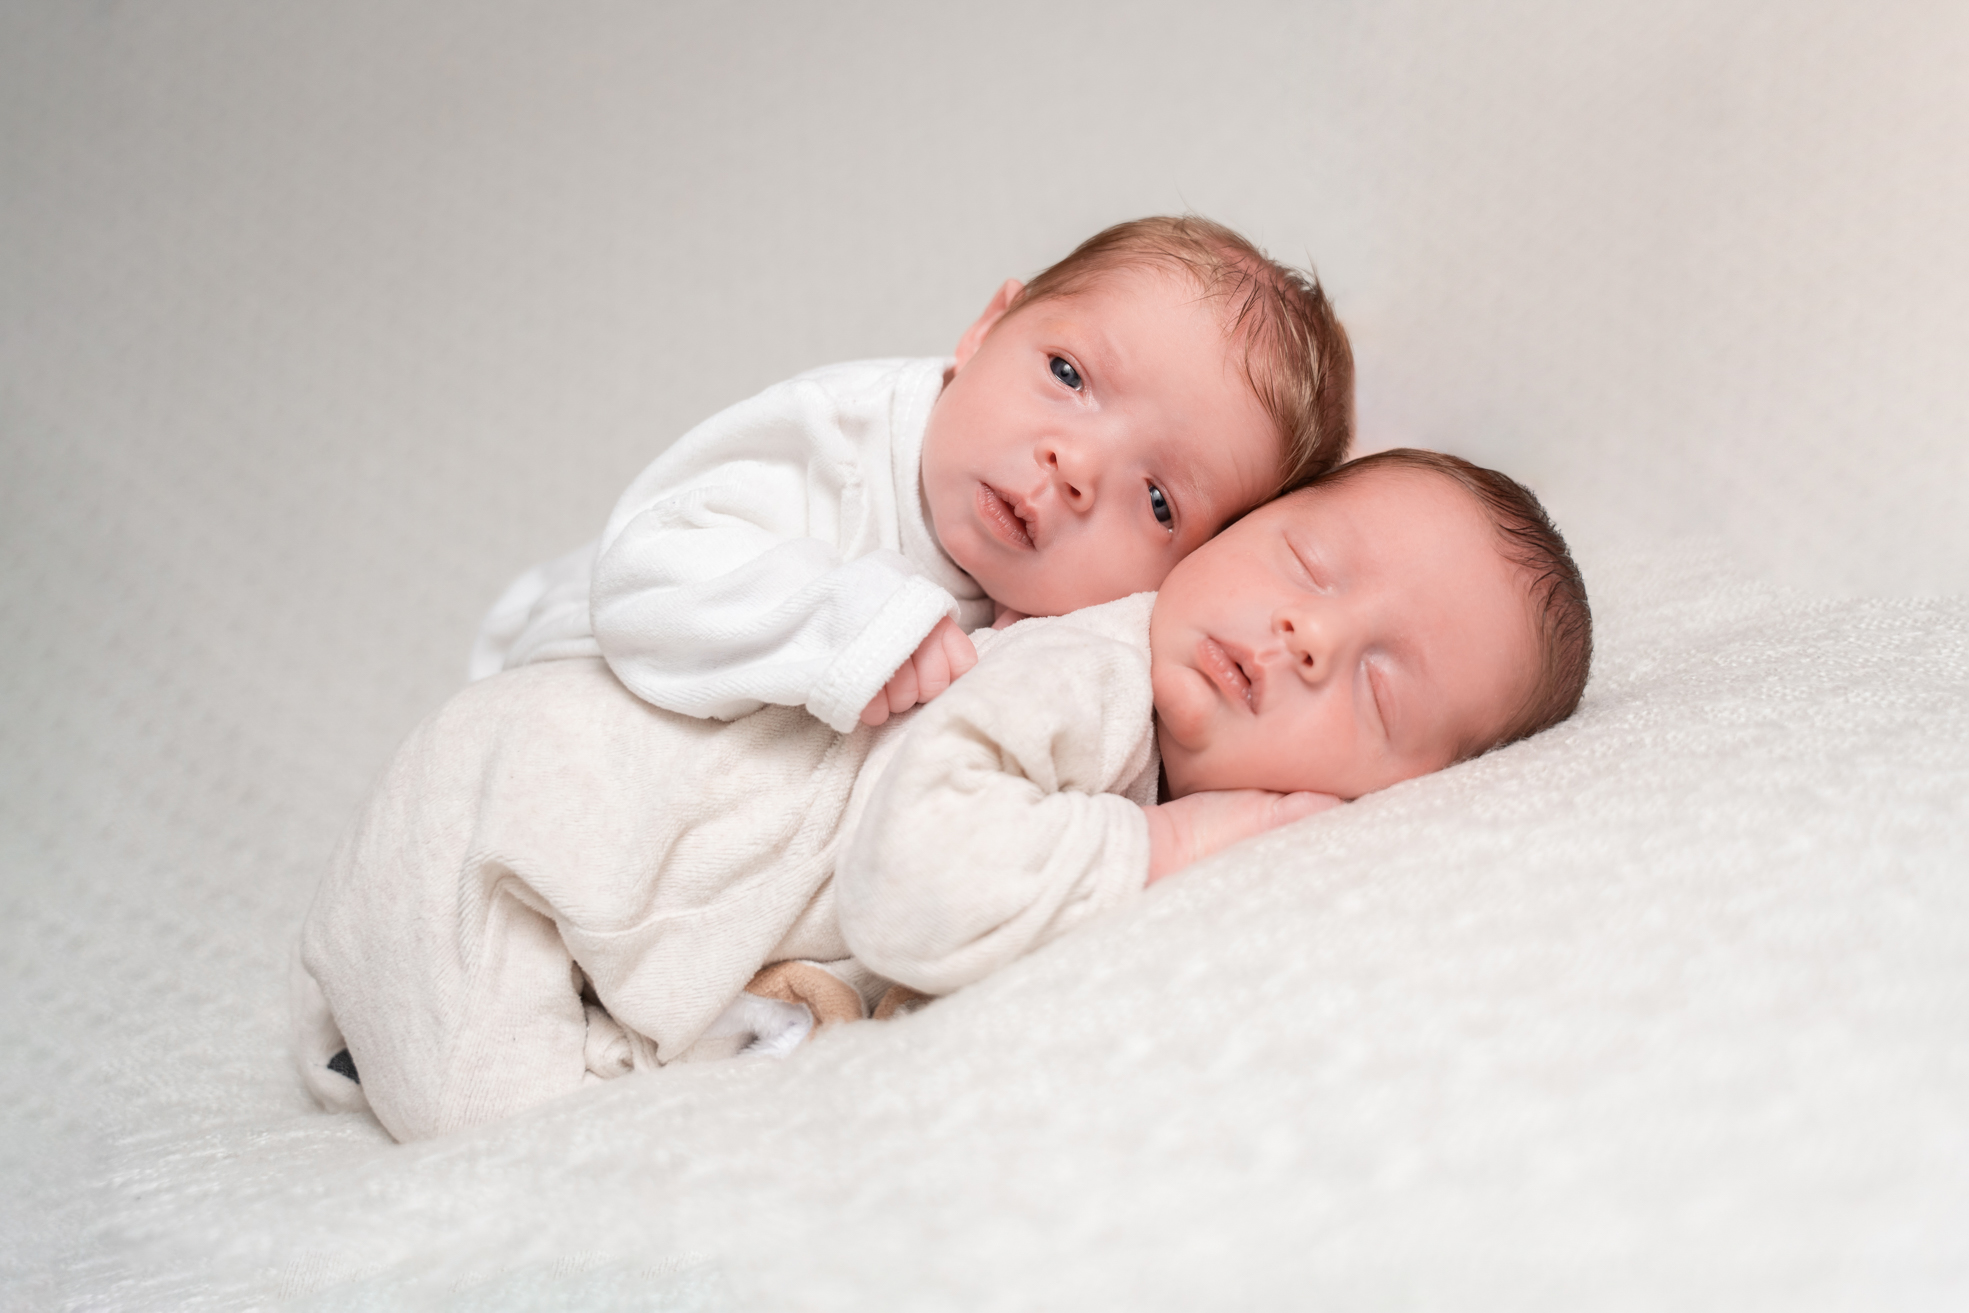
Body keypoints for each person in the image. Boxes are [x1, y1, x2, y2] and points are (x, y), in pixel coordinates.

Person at [295, 449, 1591, 1141]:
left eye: (1376, 684)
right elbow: (912, 882)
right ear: (1227, 529)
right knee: (505, 1143)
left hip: (574, 885)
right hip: (504, 811)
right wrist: (1168, 840)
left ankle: (393, 1008)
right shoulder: (1089, 670)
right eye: (1309, 558)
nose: (1308, 634)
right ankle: (391, 1007)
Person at [467, 215, 1354, 733]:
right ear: (984, 330)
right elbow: (644, 579)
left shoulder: (1090, 624)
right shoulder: (837, 437)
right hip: (586, 668)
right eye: (1069, 376)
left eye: (1158, 499)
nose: (1074, 466)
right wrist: (858, 622)